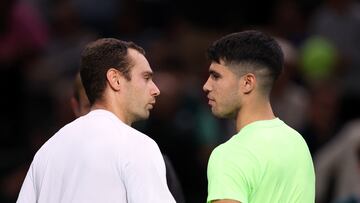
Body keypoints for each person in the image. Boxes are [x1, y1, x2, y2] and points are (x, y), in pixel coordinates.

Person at [16, 38, 175, 203]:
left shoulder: (47, 152)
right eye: (146, 77)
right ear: (115, 79)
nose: (155, 90)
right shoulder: (137, 146)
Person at [203, 30, 315, 203]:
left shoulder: (229, 155)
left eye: (216, 76)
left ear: (247, 83)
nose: (206, 86)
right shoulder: (298, 143)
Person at [70, 72, 185, 203]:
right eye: (91, 107)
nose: (102, 115)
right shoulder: (56, 162)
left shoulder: (155, 161)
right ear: (75, 107)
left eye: (109, 104)